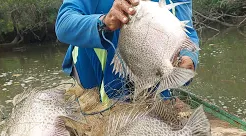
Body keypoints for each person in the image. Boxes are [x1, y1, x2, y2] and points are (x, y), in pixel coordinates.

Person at [55, 0, 200, 104]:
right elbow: (64, 24)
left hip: (154, 80)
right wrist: (104, 22)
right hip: (94, 83)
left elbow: (187, 31)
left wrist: (189, 56)